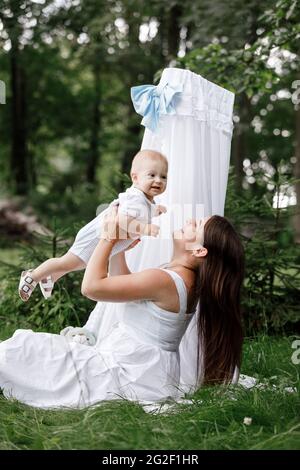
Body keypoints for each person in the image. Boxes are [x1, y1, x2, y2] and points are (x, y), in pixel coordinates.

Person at [0, 205, 244, 409]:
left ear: (199, 250)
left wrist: (108, 237)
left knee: (26, 348)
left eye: (196, 225)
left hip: (127, 375)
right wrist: (119, 250)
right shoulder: (181, 279)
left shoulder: (166, 280)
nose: (190, 220)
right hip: (145, 374)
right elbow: (126, 291)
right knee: (35, 350)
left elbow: (92, 287)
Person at [18, 149, 168, 303]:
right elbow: (122, 220)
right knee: (68, 262)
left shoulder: (145, 200)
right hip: (95, 236)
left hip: (107, 238)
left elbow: (141, 212)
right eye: (152, 175)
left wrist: (156, 210)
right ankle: (32, 275)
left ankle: (50, 278)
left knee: (79, 264)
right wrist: (144, 229)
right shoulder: (135, 198)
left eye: (163, 176)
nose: (158, 180)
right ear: (135, 178)